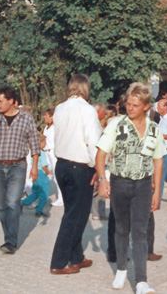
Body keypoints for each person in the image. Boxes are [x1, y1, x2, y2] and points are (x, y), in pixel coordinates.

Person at [96, 82, 165, 294]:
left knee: (141, 231)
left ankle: (142, 281)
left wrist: (157, 192)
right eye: (128, 103)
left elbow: (159, 160)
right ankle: (122, 269)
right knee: (121, 228)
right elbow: (100, 154)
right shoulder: (116, 125)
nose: (130, 107)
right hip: (120, 182)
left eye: (135, 104)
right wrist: (102, 179)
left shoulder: (154, 129)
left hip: (143, 185)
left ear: (146, 106)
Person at [49, 74, 102, 275]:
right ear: (85, 88)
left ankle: (76, 256)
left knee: (72, 211)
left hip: (62, 165)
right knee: (76, 216)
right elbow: (93, 141)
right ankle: (59, 262)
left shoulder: (59, 108)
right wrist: (98, 170)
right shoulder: (88, 110)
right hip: (80, 167)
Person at [0, 86, 40, 254]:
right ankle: (9, 234)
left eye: (1, 101)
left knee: (12, 203)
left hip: (18, 166)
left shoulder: (26, 119)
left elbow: (34, 143)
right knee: (0, 206)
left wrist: (34, 166)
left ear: (11, 101)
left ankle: (10, 241)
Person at [21, 134, 51, 216]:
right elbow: (43, 165)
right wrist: (48, 172)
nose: (45, 144)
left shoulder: (34, 153)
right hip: (41, 173)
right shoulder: (42, 153)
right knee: (44, 194)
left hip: (35, 173)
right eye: (44, 142)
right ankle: (39, 211)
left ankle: (21, 203)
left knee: (35, 193)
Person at [42, 107, 64, 207]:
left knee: (56, 176)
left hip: (53, 153)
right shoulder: (46, 128)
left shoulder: (55, 128)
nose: (44, 117)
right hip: (46, 152)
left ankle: (61, 198)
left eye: (47, 115)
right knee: (42, 172)